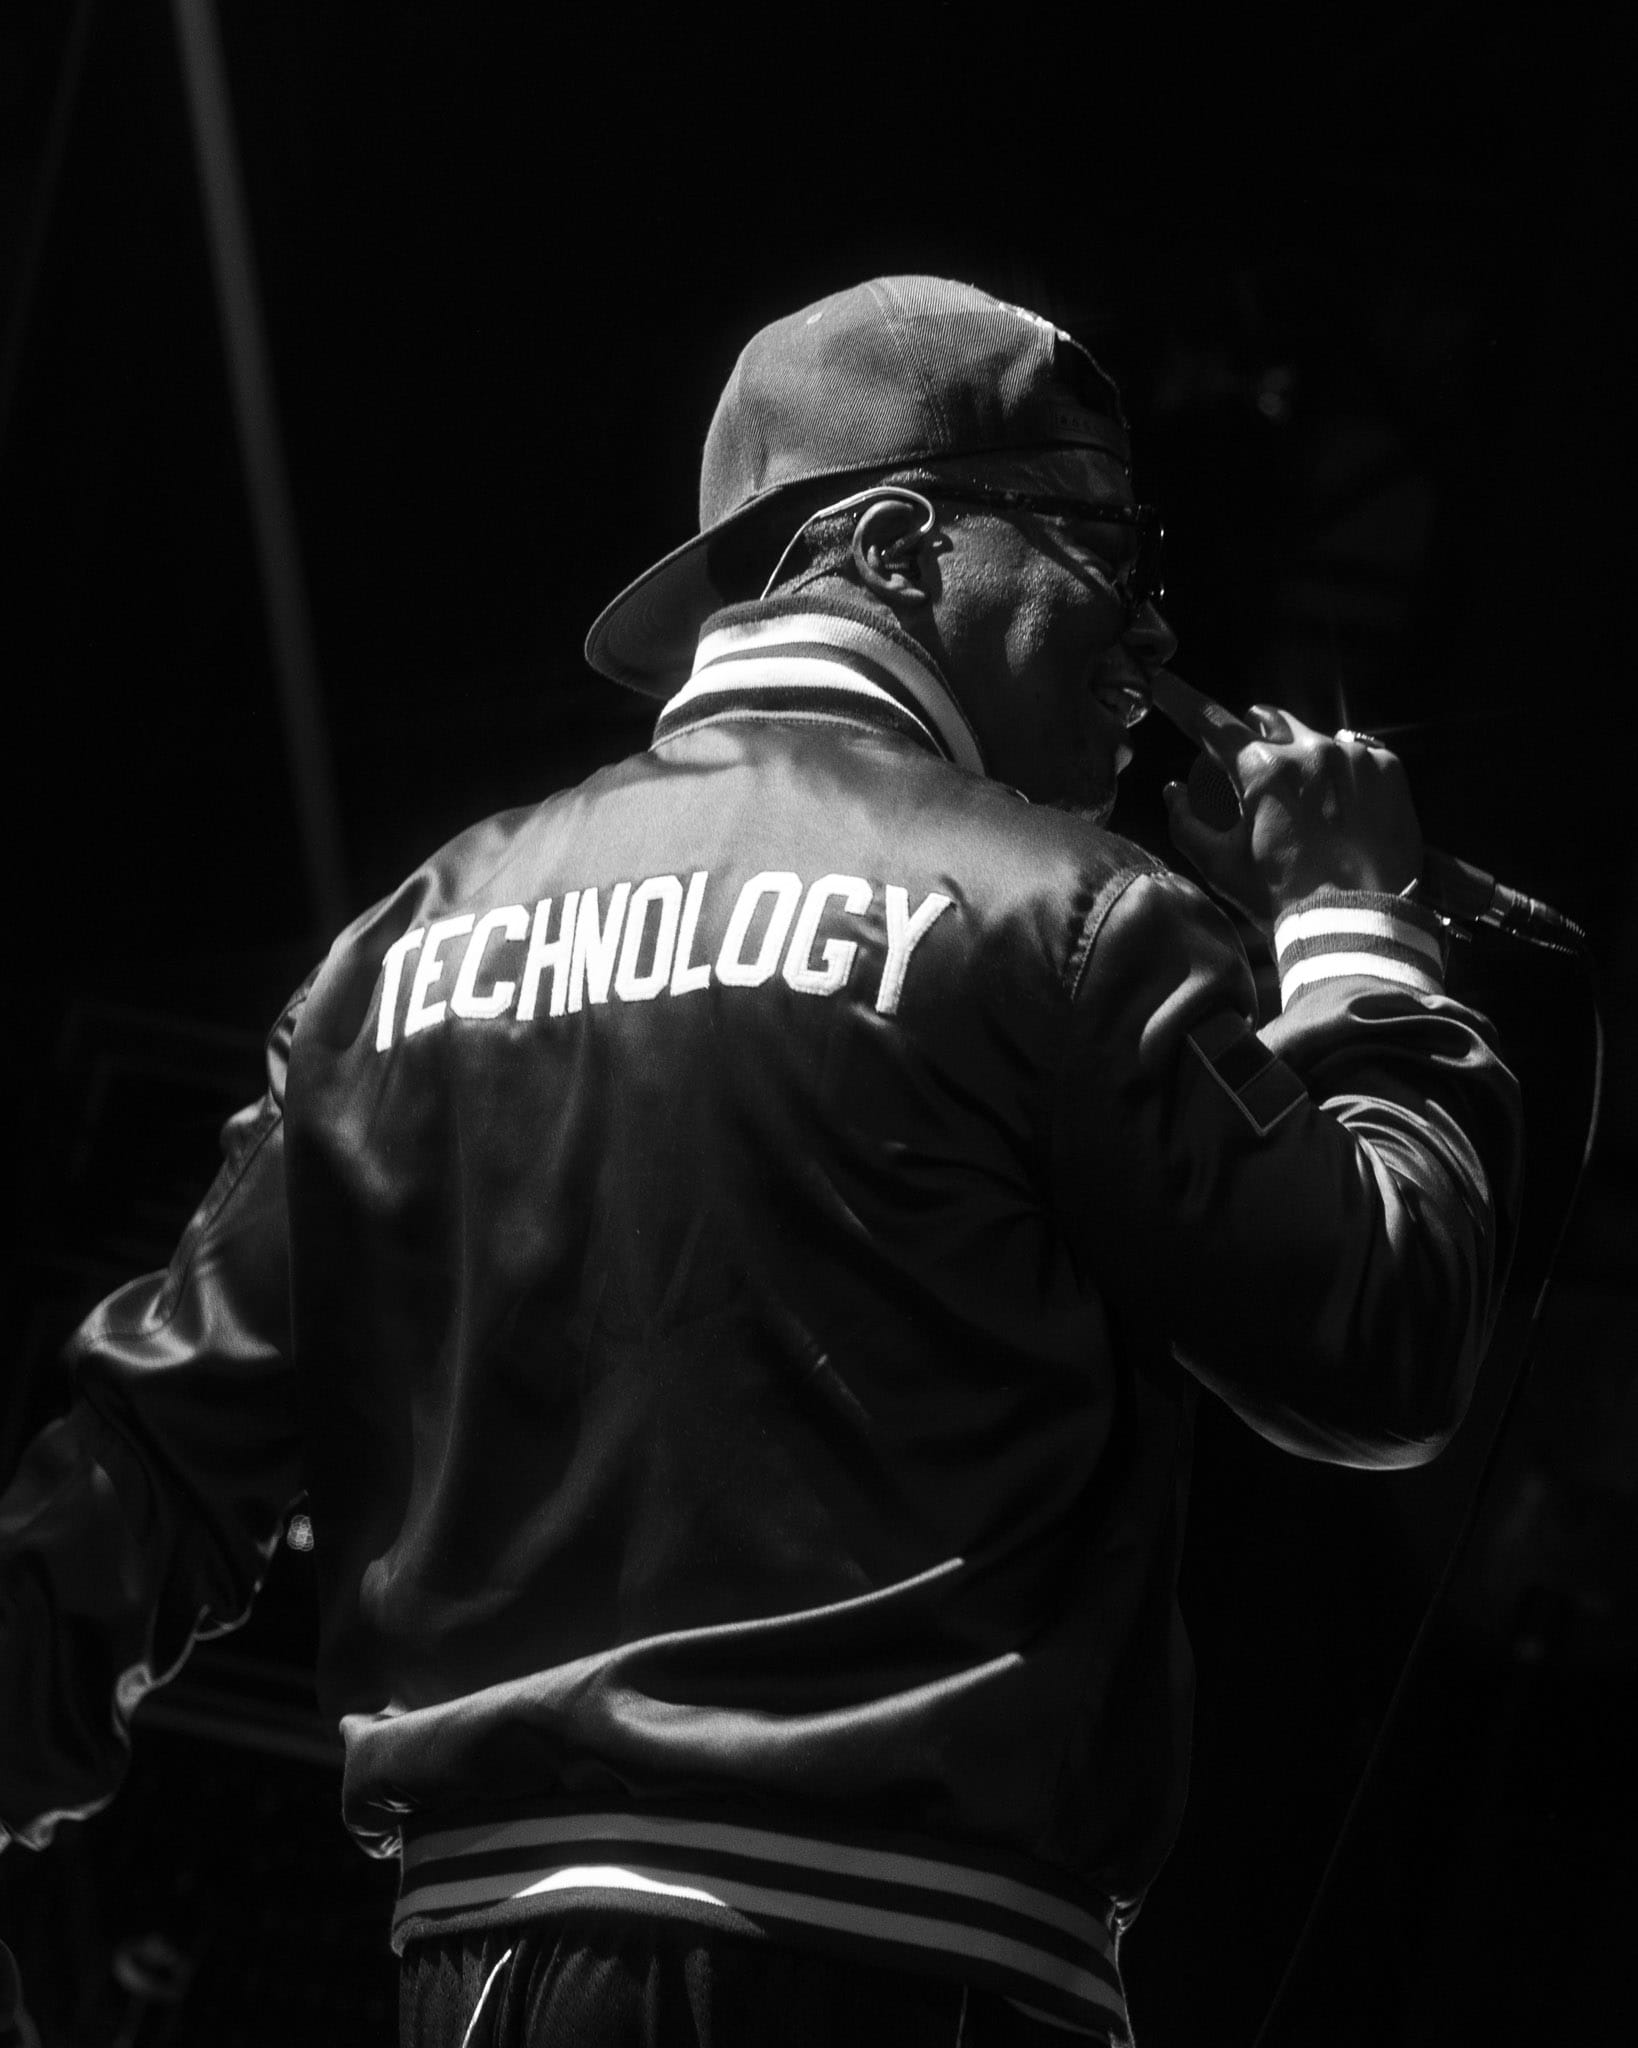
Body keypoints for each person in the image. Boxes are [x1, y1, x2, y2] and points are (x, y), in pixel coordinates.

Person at [0, 276, 1522, 2046]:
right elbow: (1382, 1332)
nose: (1152, 629)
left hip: (478, 1976)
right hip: (894, 1971)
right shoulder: (1060, 915)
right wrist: (1351, 925)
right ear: (893, 544)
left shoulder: (394, 957)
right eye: (1111, 544)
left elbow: (140, 1479)